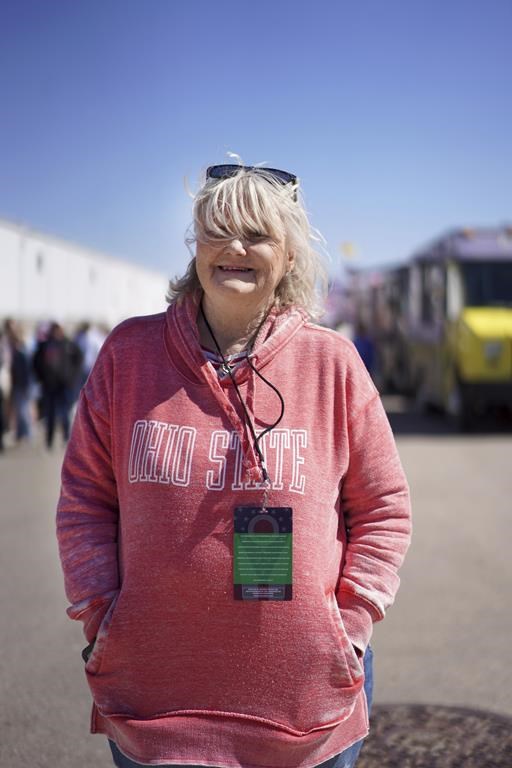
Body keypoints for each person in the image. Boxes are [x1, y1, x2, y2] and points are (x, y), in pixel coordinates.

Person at [56, 164, 412, 768]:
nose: (235, 248)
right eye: (218, 230)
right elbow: (85, 499)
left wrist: (348, 628)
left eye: (257, 234)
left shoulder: (333, 363)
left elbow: (384, 508)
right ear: (196, 246)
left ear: (290, 255)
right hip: (156, 703)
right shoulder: (128, 355)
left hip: (306, 707)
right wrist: (101, 615)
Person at [33, 322, 83, 448]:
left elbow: (79, 359)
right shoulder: (45, 345)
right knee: (50, 414)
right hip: (49, 385)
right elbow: (36, 362)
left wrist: (72, 377)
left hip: (64, 385)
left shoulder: (68, 344)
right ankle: (49, 440)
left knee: (65, 413)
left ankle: (66, 438)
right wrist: (41, 378)